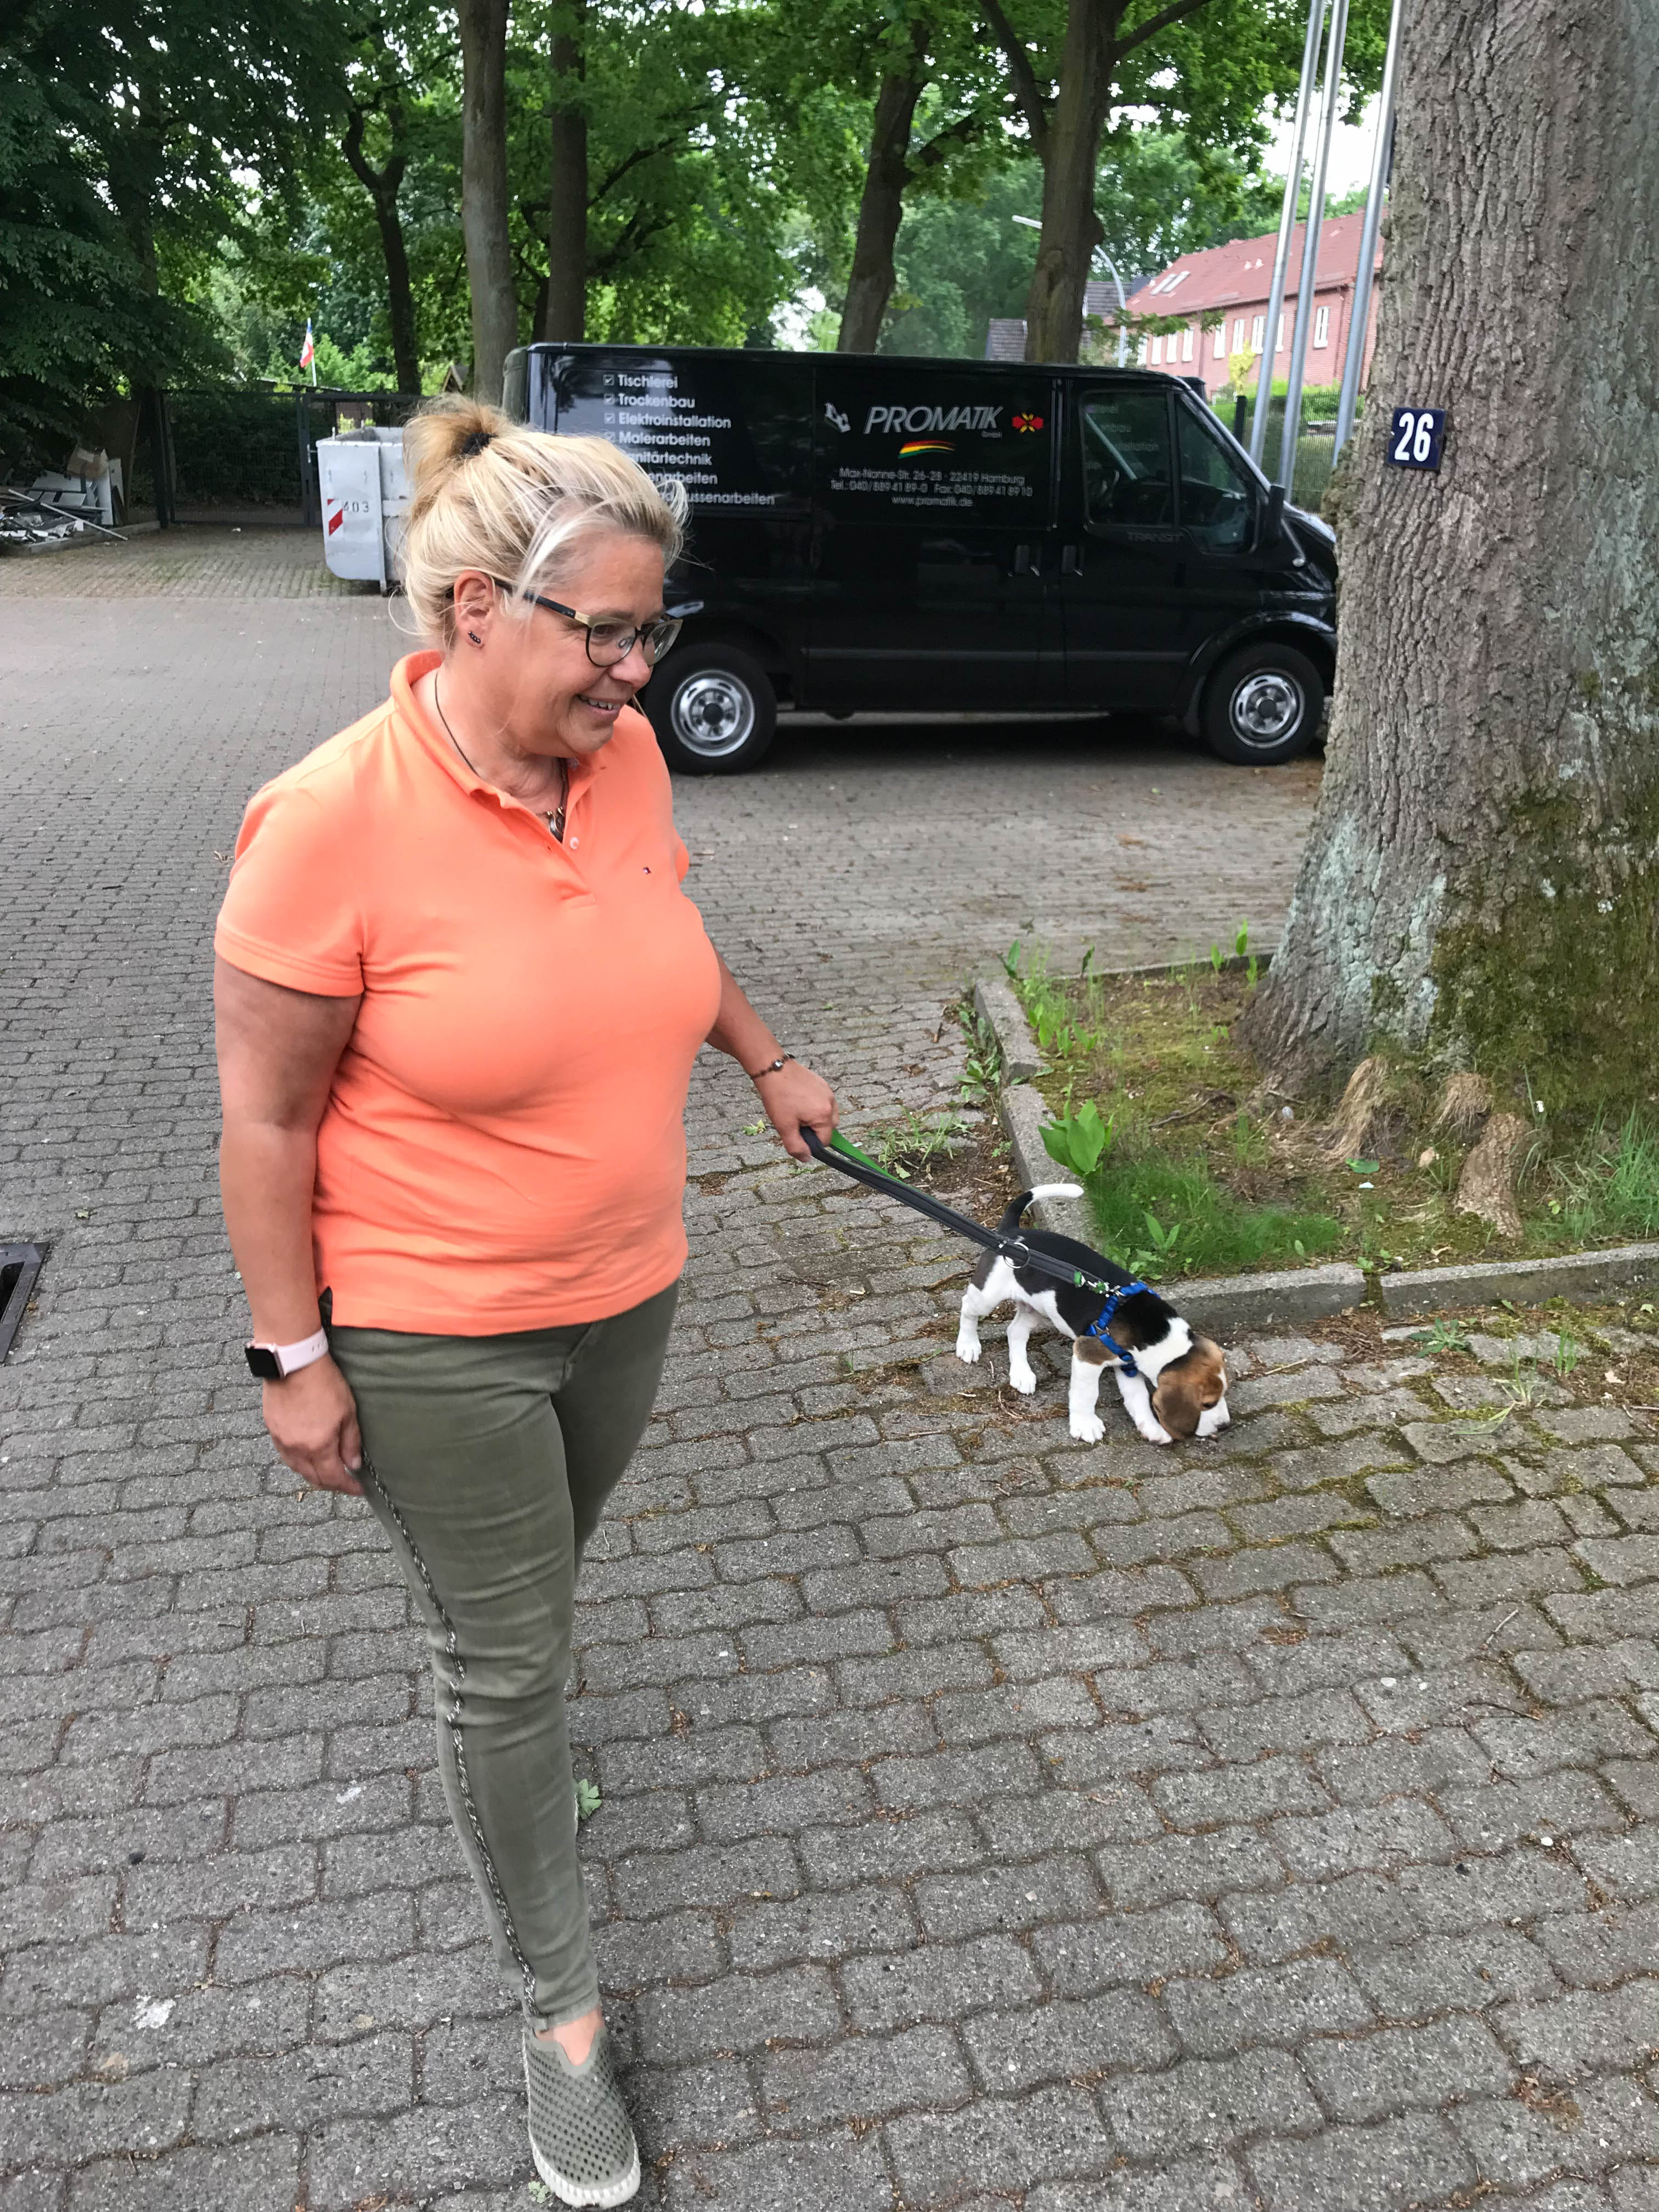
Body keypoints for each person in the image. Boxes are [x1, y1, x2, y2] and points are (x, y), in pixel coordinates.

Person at [213, 399, 835, 2208]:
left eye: (655, 629)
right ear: (477, 608)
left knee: (547, 1592)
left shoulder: (619, 766)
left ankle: (530, 1748)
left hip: (628, 1288)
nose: (643, 672)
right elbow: (264, 1121)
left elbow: (665, 930)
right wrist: (292, 1357)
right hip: (431, 1326)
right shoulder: (327, 822)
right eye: (610, 632)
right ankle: (561, 2023)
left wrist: (765, 1055)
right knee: (502, 1660)